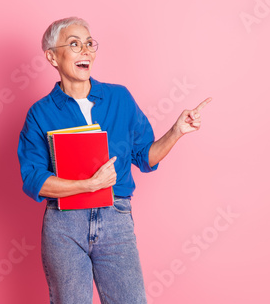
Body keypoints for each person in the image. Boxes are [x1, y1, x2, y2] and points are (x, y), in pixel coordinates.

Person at [17, 16, 211, 304]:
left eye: (89, 44)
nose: (86, 51)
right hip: (64, 225)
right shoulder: (40, 113)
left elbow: (145, 156)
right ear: (52, 57)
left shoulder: (119, 98)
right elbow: (34, 179)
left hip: (115, 219)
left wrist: (176, 131)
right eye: (74, 44)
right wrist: (88, 184)